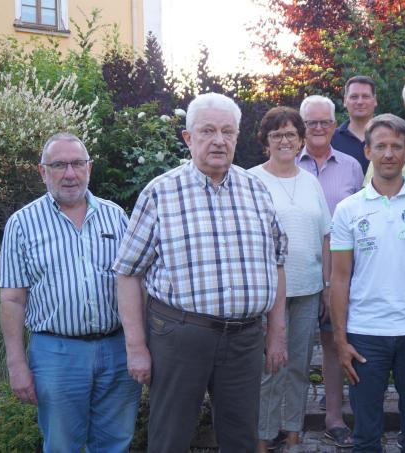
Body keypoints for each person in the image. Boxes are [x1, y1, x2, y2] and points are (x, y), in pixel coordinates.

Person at [112, 93, 289, 453]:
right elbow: (128, 273)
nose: (219, 140)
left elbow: (277, 263)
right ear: (188, 138)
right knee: (170, 438)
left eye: (228, 131)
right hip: (180, 335)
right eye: (207, 131)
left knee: (241, 438)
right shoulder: (160, 193)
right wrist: (135, 347)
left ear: (238, 137)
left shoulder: (257, 190)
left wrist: (277, 333)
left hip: (244, 339)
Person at [0, 133, 142, 453]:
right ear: (43, 171)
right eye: (59, 165)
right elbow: (12, 299)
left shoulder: (116, 217)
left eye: (77, 163)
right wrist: (16, 364)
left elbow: (134, 283)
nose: (69, 173)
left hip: (117, 349)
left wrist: (140, 345)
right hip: (56, 355)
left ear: (89, 168)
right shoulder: (21, 224)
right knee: (62, 445)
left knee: (115, 443)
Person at [330, 113, 405, 453]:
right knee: (366, 436)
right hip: (365, 334)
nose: (388, 154)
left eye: (397, 146)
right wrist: (340, 339)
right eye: (380, 146)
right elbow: (339, 278)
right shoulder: (347, 210)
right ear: (367, 151)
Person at [248, 107, 332, 453]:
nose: (285, 140)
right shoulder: (250, 179)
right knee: (269, 368)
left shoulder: (310, 181)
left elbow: (325, 236)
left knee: (298, 366)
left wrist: (326, 286)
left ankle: (294, 432)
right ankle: (263, 437)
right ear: (265, 140)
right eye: (277, 134)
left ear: (301, 140)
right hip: (268, 293)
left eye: (291, 134)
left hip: (309, 288)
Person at [296, 94, 364, 448]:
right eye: (311, 123)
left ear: (334, 125)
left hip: (342, 272)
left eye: (325, 122)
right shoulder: (288, 163)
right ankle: (285, 420)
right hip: (296, 272)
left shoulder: (353, 165)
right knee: (292, 350)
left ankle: (334, 419)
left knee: (336, 345)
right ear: (302, 126)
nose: (319, 128)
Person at [331, 75, 378, 173]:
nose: (360, 102)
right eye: (354, 97)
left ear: (375, 100)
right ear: (345, 101)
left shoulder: (389, 137)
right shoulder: (331, 139)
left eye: (365, 96)